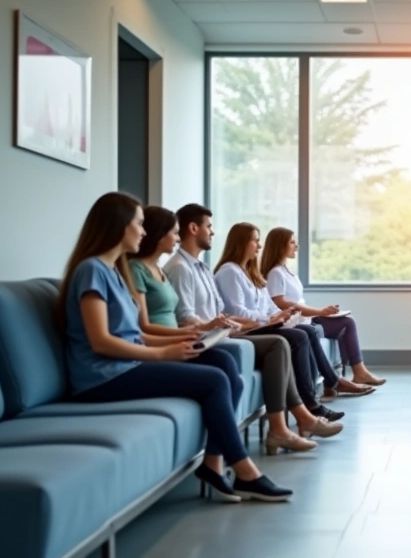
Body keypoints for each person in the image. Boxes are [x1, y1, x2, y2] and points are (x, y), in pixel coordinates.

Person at [56, 192, 291, 502]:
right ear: (119, 226)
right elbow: (101, 341)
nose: (143, 231)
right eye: (139, 224)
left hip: (126, 364)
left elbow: (133, 333)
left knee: (223, 362)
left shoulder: (114, 271)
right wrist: (162, 353)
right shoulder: (92, 271)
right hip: (102, 376)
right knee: (215, 379)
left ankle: (213, 462)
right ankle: (245, 470)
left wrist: (182, 338)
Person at [136, 206, 331, 454]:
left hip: (217, 333)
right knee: (285, 341)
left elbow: (221, 311)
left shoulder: (203, 268)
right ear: (194, 229)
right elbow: (184, 318)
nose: (213, 231)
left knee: (293, 338)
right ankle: (291, 422)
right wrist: (239, 323)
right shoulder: (179, 268)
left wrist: (240, 322)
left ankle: (292, 421)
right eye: (209, 226)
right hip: (205, 337)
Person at [213, 222, 357, 421]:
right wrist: (269, 318)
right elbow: (236, 311)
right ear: (242, 243)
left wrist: (281, 314)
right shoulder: (229, 271)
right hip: (245, 329)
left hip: (261, 325)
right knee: (299, 336)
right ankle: (311, 405)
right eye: (255, 241)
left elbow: (268, 304)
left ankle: (313, 400)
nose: (259, 246)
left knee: (306, 332)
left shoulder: (248, 271)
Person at [260, 227, 384, 393]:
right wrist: (320, 311)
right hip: (295, 321)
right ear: (280, 246)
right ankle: (352, 375)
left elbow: (295, 301)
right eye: (292, 242)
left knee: (346, 321)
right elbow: (283, 303)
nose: (296, 246)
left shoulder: (286, 271)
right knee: (346, 323)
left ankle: (356, 373)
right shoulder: (275, 273)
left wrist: (321, 312)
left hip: (303, 318)